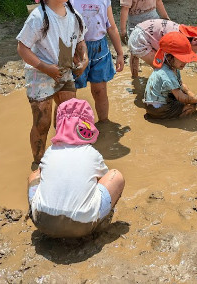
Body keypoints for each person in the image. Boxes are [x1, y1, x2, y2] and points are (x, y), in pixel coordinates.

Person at [17, 0, 88, 170]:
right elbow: (22, 48)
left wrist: (84, 59)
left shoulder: (74, 14)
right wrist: (45, 67)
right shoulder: (38, 17)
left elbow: (81, 41)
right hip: (41, 74)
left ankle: (62, 156)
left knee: (69, 116)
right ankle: (38, 163)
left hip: (64, 70)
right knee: (42, 121)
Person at [27, 98, 125, 238]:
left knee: (35, 174)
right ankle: (99, 224)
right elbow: (103, 179)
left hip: (42, 222)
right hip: (82, 226)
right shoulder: (91, 153)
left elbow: (44, 175)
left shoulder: (50, 151)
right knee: (116, 175)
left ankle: (34, 212)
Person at [69, 0, 124, 121]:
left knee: (100, 91)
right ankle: (67, 127)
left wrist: (120, 53)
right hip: (75, 50)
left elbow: (111, 27)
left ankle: (105, 123)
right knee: (69, 92)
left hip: (100, 49)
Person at [143, 31, 197, 120]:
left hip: (152, 106)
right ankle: (179, 119)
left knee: (186, 100)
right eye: (182, 59)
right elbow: (181, 97)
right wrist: (195, 100)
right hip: (159, 109)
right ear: (169, 57)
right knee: (190, 108)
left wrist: (191, 95)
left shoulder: (170, 67)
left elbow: (181, 85)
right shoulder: (167, 74)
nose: (185, 62)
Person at [127, 18, 197, 72]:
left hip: (141, 30)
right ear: (195, 39)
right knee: (163, 69)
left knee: (136, 55)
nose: (195, 53)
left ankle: (135, 80)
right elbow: (170, 62)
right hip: (140, 40)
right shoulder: (178, 39)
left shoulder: (185, 31)